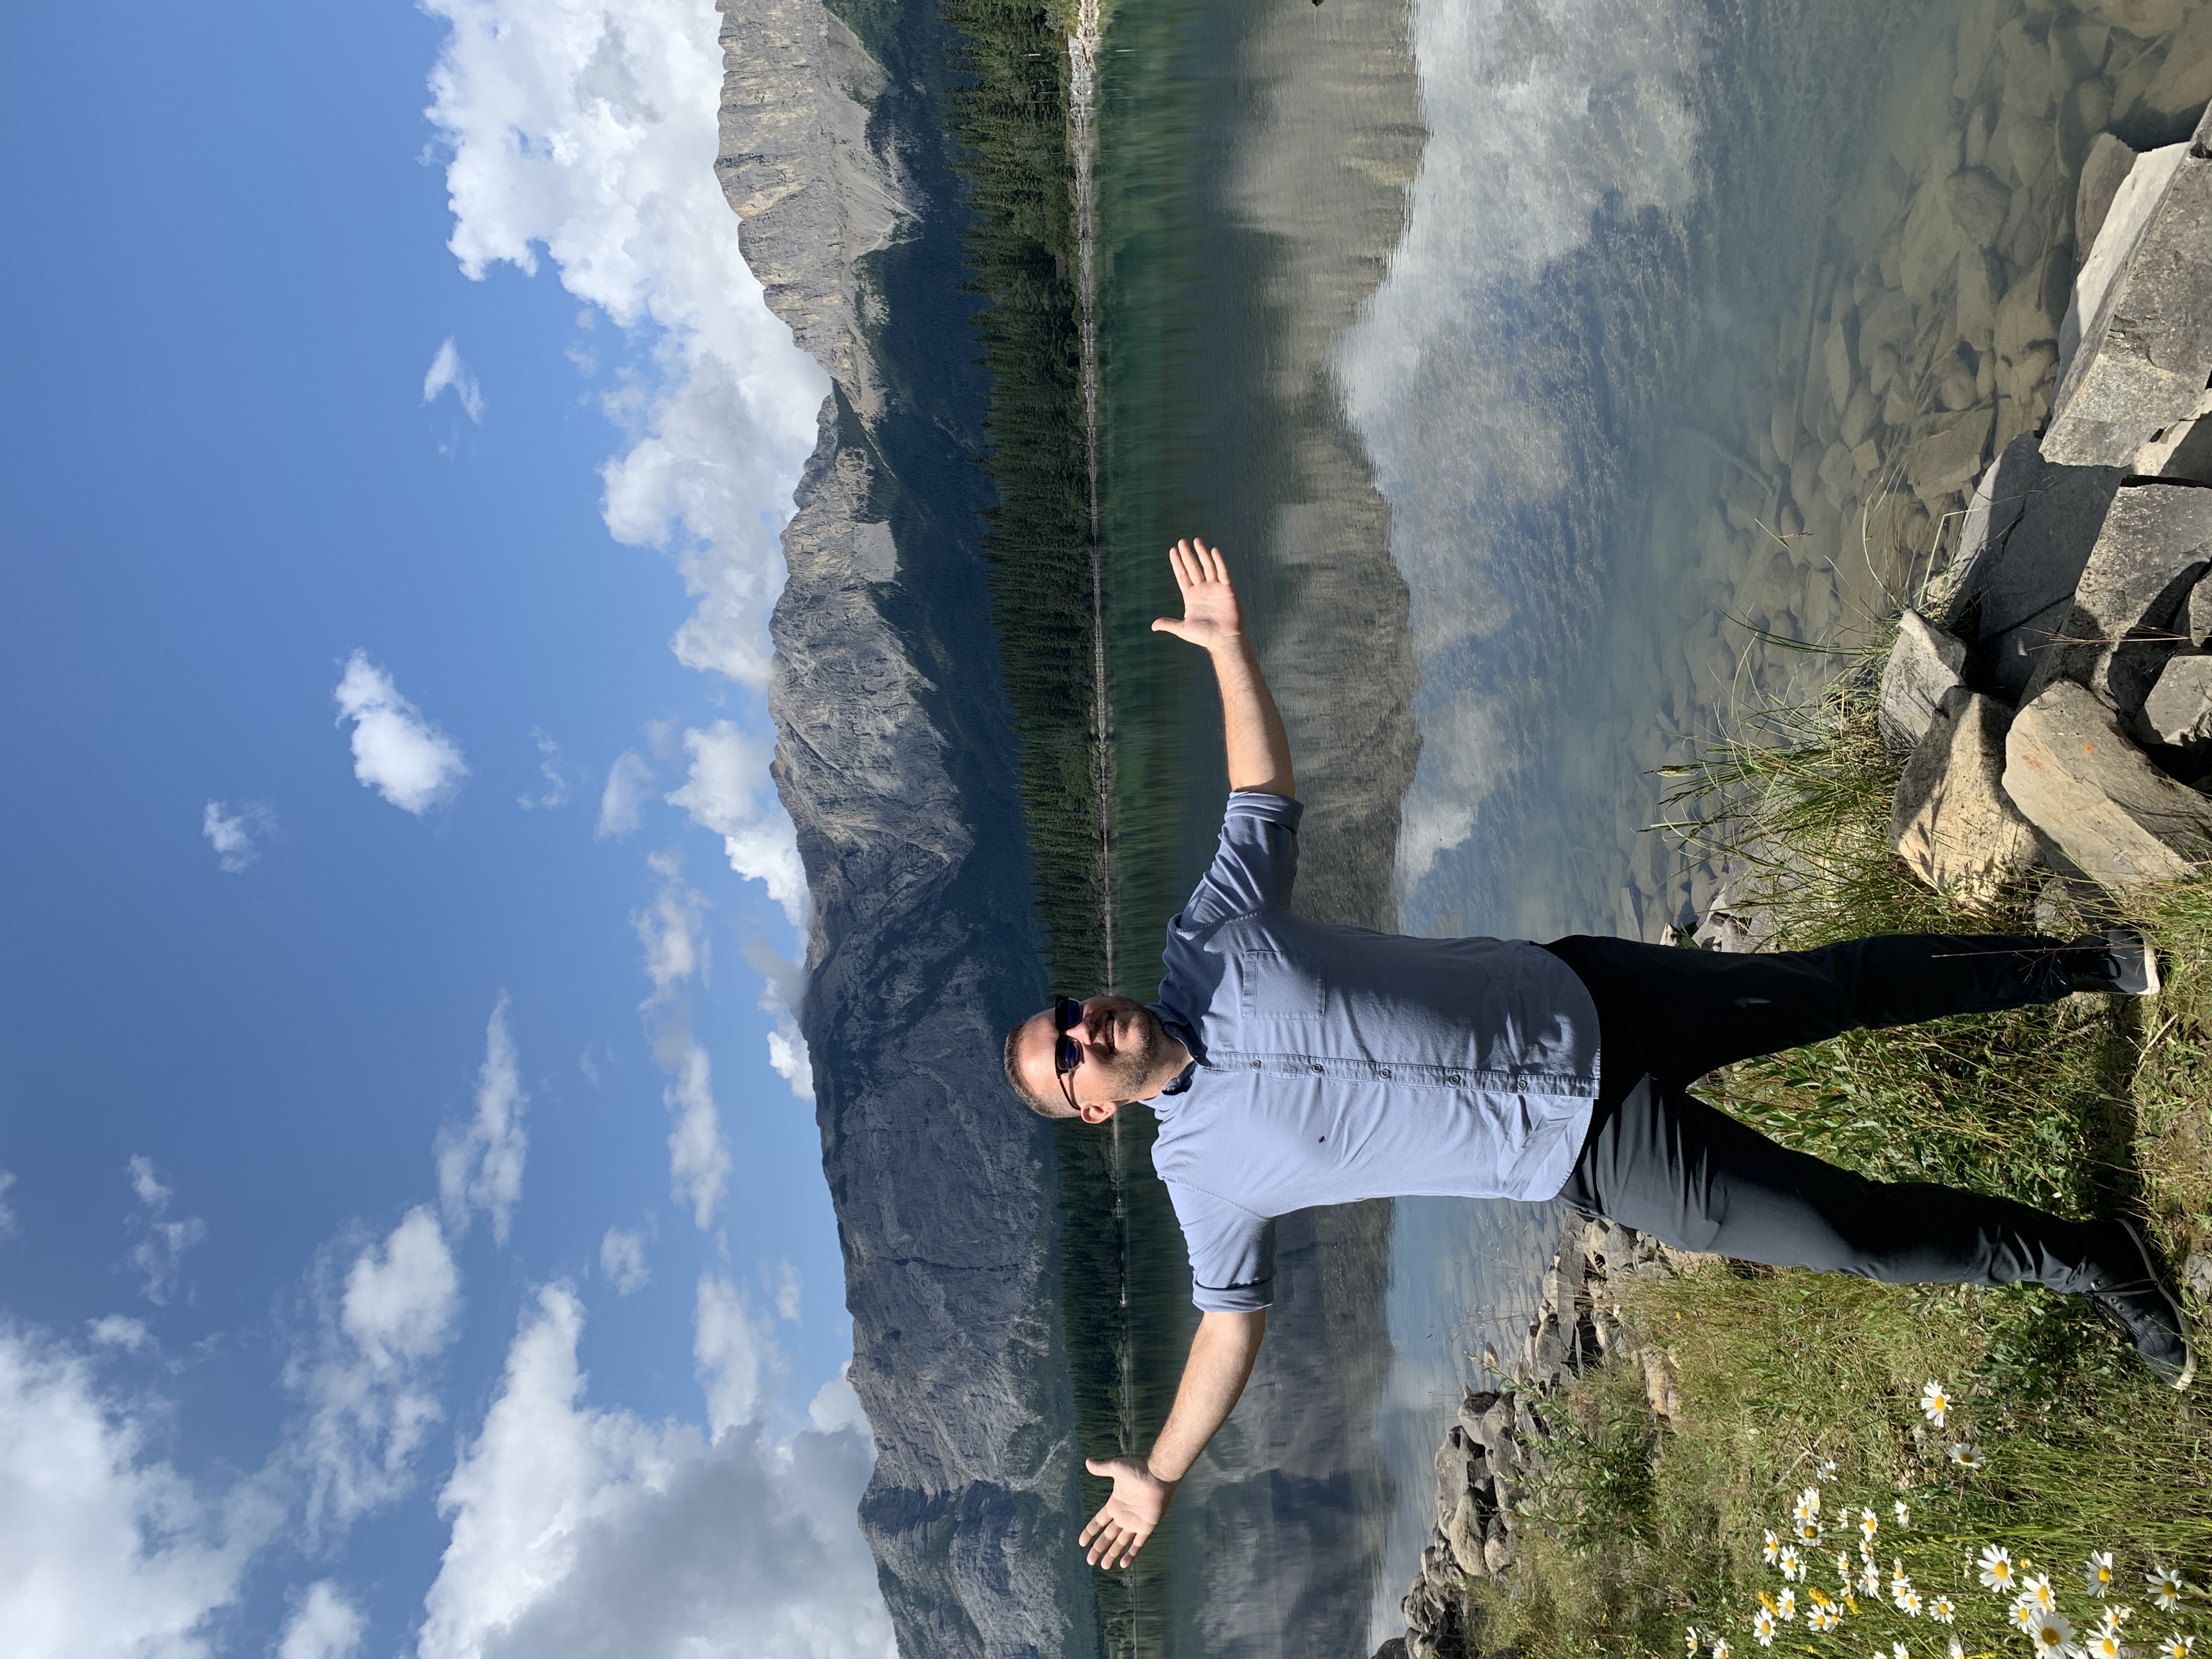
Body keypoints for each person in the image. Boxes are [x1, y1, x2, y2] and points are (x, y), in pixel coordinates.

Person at [1002, 537, 2197, 1572]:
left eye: (1071, 1009)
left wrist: (1224, 647)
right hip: (1589, 1153)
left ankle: (2085, 965)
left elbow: (1260, 797)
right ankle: (2092, 1259)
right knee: (1847, 1235)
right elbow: (1227, 1328)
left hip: (1584, 995)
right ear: (1093, 1107)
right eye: (1070, 1054)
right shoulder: (1201, 1178)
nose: (1086, 1026)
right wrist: (1157, 1472)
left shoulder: (1207, 937)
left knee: (1832, 993)